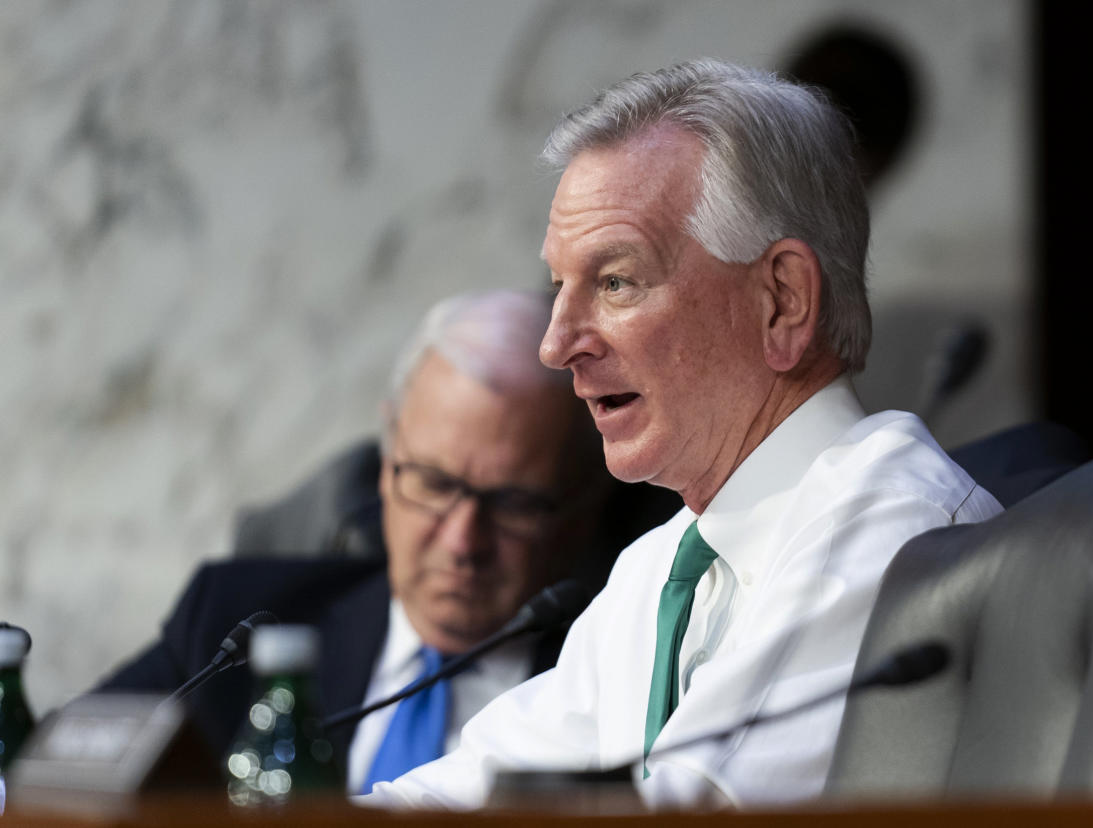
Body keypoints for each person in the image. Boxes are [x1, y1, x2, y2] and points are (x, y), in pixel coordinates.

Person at [363, 59, 1003, 811]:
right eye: (561, 286)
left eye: (615, 282)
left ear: (783, 301)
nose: (558, 342)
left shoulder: (889, 528)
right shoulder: (664, 564)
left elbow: (685, 811)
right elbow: (473, 787)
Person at [97, 290, 659, 793]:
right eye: (434, 484)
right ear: (388, 463)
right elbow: (46, 778)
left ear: (584, 507)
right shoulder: (232, 629)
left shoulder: (629, 676)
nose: (463, 541)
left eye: (512, 503)